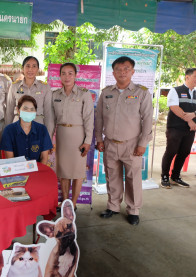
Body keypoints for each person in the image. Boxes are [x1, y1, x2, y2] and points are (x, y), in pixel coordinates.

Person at [95, 56, 153, 226]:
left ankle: (133, 210)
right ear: (113, 72)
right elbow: (99, 118)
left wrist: (143, 143)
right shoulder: (106, 93)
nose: (122, 72)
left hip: (132, 144)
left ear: (132, 71)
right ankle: (113, 206)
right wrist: (99, 139)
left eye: (126, 69)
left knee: (133, 178)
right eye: (118, 69)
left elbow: (148, 119)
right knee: (112, 177)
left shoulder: (141, 92)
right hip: (110, 143)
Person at [53, 63, 94, 209]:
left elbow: (89, 119)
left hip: (78, 135)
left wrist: (88, 141)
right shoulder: (55, 95)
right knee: (63, 172)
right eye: (63, 73)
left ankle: (74, 204)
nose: (67, 76)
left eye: (70, 73)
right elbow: (51, 120)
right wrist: (49, 139)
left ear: (75, 75)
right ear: (59, 76)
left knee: (77, 172)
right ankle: (65, 202)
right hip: (62, 135)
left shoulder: (84, 94)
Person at [161, 68, 196, 188]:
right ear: (187, 77)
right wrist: (190, 120)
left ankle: (175, 176)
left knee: (184, 152)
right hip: (175, 128)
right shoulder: (175, 90)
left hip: (190, 130)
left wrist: (194, 114)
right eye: (195, 77)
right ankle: (164, 176)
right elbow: (174, 107)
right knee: (171, 151)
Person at [5, 56, 54, 137]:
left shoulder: (45, 87)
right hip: (18, 127)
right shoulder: (14, 87)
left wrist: (49, 136)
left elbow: (48, 113)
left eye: (34, 66)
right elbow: (9, 112)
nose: (30, 69)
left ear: (38, 69)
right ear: (22, 68)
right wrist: (7, 134)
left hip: (38, 126)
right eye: (27, 66)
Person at [0, 95, 52, 165]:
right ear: (18, 110)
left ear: (35, 112)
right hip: (16, 171)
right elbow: (10, 160)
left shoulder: (42, 129)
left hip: (37, 171)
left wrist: (38, 174)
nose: (29, 112)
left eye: (32, 109)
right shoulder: (9, 131)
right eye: (25, 109)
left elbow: (44, 158)